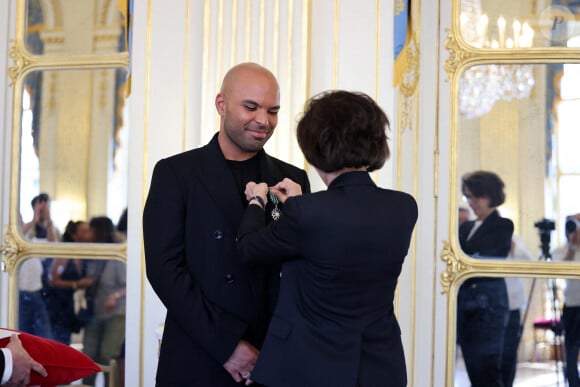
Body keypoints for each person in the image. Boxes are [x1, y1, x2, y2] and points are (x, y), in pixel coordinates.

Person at [143, 62, 311, 386]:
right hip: (199, 355)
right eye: (251, 107)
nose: (263, 120)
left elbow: (298, 271)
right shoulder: (176, 174)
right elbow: (164, 270)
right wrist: (227, 345)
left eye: (273, 110)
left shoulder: (292, 179)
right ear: (221, 104)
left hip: (272, 359)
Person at [236, 90, 418, 387]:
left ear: (315, 147)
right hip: (379, 368)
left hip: (310, 368)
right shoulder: (404, 207)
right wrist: (292, 207)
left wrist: (257, 201)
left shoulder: (308, 214)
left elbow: (248, 247)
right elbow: (319, 236)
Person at [457, 170, 514, 387]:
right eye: (468, 197)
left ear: (490, 195)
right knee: (473, 371)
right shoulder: (467, 227)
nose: (471, 202)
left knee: (488, 372)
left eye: (475, 197)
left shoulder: (503, 225)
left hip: (488, 310)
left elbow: (487, 258)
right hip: (465, 309)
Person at [82, 216, 126, 387]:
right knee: (88, 355)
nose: (89, 234)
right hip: (95, 310)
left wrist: (114, 297)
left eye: (91, 230)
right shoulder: (92, 252)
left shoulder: (117, 254)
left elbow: (131, 284)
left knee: (107, 355)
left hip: (115, 312)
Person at [44, 220, 94, 344]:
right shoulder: (65, 253)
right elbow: (52, 281)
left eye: (89, 231)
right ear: (74, 235)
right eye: (84, 231)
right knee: (58, 340)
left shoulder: (85, 253)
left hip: (69, 303)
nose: (89, 235)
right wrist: (76, 284)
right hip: (57, 304)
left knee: (66, 339)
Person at [18, 193, 57, 339]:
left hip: (36, 292)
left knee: (44, 335)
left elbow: (52, 247)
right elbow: (20, 233)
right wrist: (35, 218)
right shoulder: (15, 242)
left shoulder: (31, 241)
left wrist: (48, 219)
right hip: (20, 295)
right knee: (22, 334)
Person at [501, 235, 533, 387]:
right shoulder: (485, 237)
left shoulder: (515, 240)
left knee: (510, 351)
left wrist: (513, 247)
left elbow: (529, 262)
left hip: (513, 305)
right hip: (492, 307)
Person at [553, 213, 580, 387]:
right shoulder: (561, 250)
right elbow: (560, 271)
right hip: (571, 305)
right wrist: (572, 246)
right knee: (571, 349)